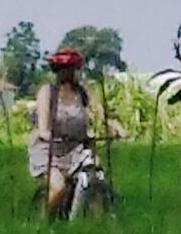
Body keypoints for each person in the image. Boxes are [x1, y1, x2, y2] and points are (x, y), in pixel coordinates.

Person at [29, 47, 126, 219]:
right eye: (67, 69)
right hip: (50, 149)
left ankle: (96, 216)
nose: (71, 73)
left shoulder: (82, 93)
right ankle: (47, 224)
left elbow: (101, 113)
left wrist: (115, 126)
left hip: (76, 147)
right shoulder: (48, 92)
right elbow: (43, 123)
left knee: (95, 170)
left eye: (74, 69)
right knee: (58, 187)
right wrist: (45, 133)